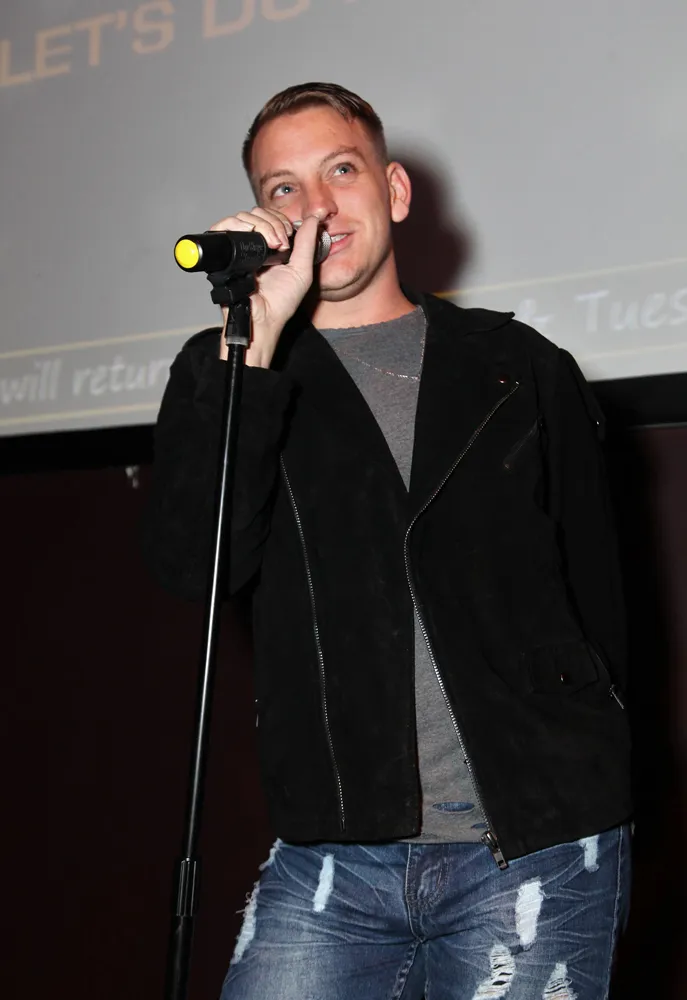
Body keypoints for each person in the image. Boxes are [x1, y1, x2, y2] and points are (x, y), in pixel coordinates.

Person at [143, 82, 632, 1000]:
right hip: (332, 856)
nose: (315, 206)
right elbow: (195, 568)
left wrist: (591, 761)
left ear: (394, 190)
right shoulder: (234, 370)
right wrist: (256, 338)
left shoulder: (519, 367)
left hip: (536, 840)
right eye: (282, 188)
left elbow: (598, 593)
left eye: (340, 170)